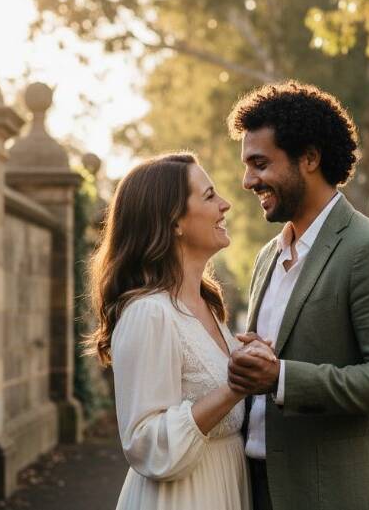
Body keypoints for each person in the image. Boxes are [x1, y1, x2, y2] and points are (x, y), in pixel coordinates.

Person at [225, 81, 369, 510]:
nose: (247, 180)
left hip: (338, 493)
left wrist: (281, 378)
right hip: (259, 487)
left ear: (310, 158)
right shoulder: (267, 256)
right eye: (246, 165)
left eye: (260, 163)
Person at [86, 153, 269, 510]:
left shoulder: (208, 307)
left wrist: (253, 361)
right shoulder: (148, 314)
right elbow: (144, 443)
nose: (225, 204)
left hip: (227, 487)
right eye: (209, 196)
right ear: (173, 222)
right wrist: (235, 387)